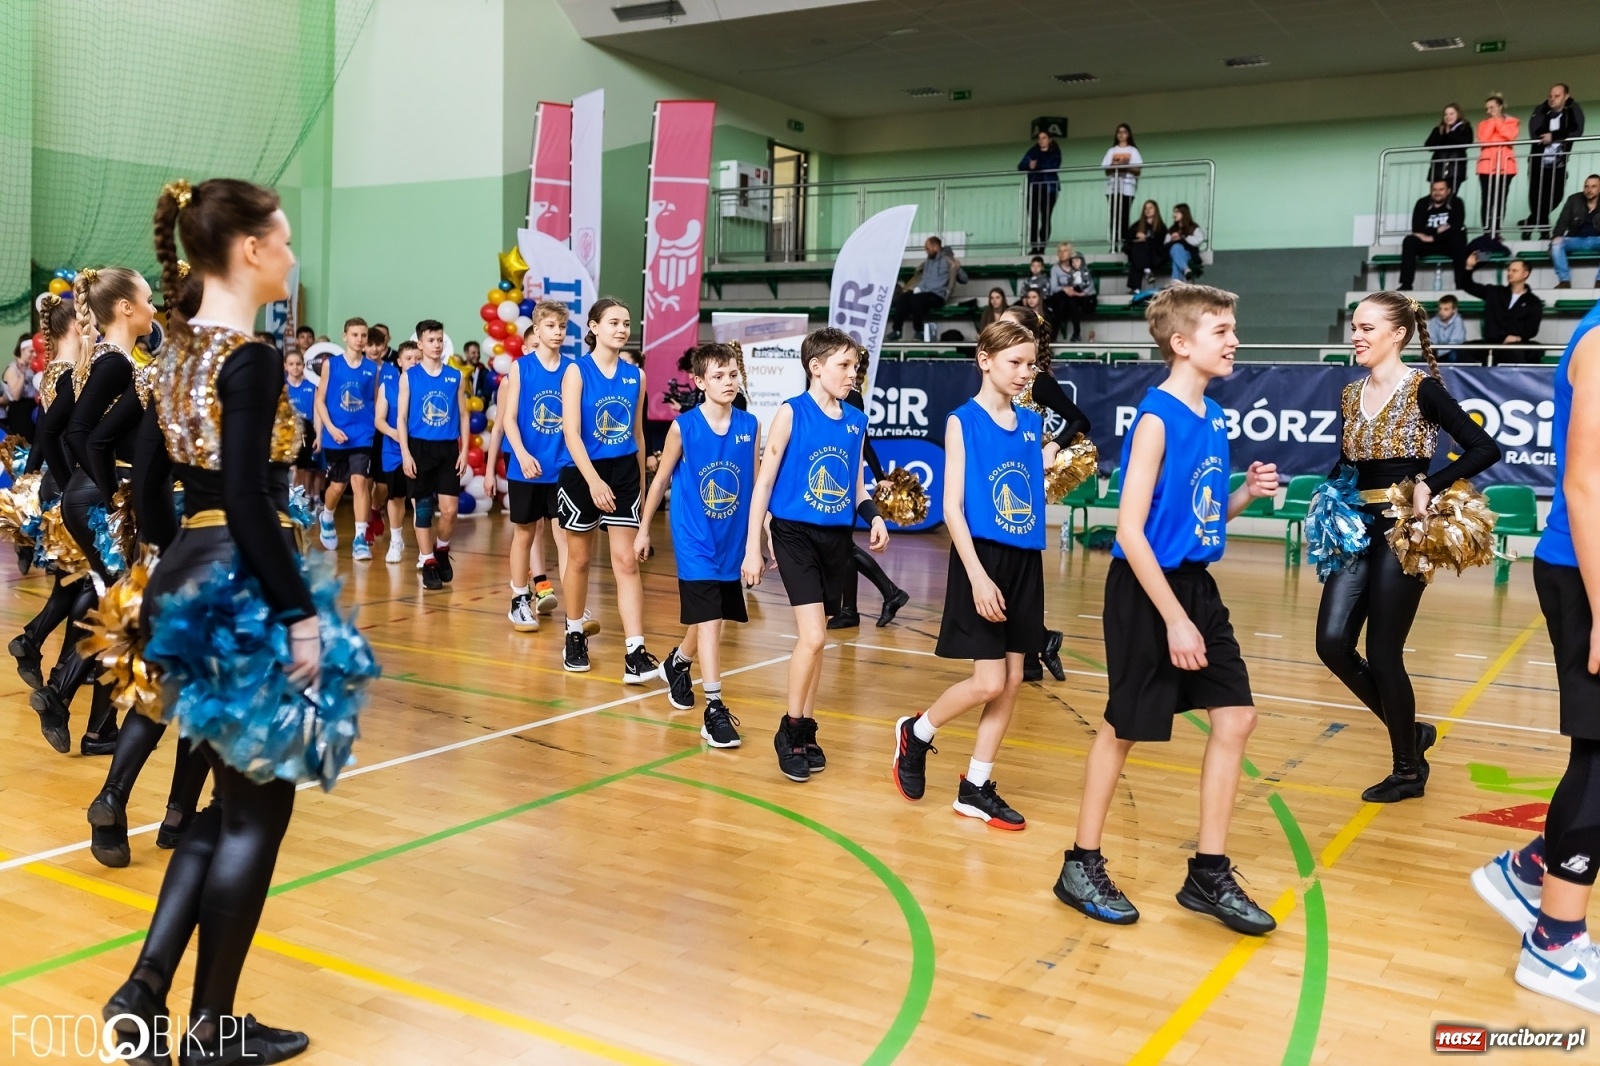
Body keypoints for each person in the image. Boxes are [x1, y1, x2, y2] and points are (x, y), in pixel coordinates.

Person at [102, 176, 325, 1065]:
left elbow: (153, 492)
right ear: (251, 251)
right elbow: (244, 500)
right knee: (255, 819)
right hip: (238, 586)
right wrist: (297, 613)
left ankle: (146, 990)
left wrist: (180, 570)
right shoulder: (250, 356)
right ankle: (211, 1031)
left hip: (182, 582)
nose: (292, 253)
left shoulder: (173, 356)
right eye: (284, 238)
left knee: (221, 805)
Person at [1052, 285, 1280, 934]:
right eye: (1221, 330)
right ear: (1181, 344)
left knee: (1236, 717)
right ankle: (1081, 862)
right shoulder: (1156, 419)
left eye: (1234, 328)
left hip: (1195, 587)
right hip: (1146, 592)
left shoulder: (1212, 416)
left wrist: (1244, 498)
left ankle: (1208, 873)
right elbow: (1128, 530)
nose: (1234, 340)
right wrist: (1173, 618)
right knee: (1123, 728)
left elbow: (1194, 516)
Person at [1316, 292, 1501, 802]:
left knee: (1382, 650)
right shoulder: (1350, 394)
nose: (1356, 335)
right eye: (1354, 326)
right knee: (1331, 643)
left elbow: (1487, 447)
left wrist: (1433, 483)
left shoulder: (1423, 389)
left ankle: (1407, 770)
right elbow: (1348, 464)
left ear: (1397, 334)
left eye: (1367, 328)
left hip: (1405, 531)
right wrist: (1326, 500)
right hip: (1356, 526)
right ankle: (1412, 732)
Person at [1469, 300, 1600, 1017]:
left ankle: (1528, 869)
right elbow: (1583, 482)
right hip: (1586, 573)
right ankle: (1554, 941)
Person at [891, 318, 1047, 830]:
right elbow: (953, 508)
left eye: (1031, 364)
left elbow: (1022, 492)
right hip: (982, 559)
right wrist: (978, 577)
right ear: (985, 359)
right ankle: (918, 730)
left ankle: (975, 787)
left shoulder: (1030, 423)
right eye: (1015, 363)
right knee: (987, 680)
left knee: (1014, 679)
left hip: (1026, 559)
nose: (1026, 373)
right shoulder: (964, 421)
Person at [742, 328, 889, 782]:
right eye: (844, 366)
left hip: (836, 539)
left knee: (820, 639)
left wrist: (874, 515)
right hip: (794, 535)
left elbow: (856, 484)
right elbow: (763, 484)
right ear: (816, 367)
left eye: (855, 366)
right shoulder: (791, 413)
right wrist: (753, 547)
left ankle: (806, 726)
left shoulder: (856, 420)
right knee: (813, 637)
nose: (852, 373)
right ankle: (788, 730)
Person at [636, 342, 758, 747]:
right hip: (694, 538)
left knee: (713, 617)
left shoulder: (749, 424)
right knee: (710, 622)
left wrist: (761, 538)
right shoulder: (683, 427)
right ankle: (715, 709)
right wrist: (643, 529)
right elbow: (660, 480)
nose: (727, 382)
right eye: (718, 376)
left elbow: (756, 485)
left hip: (732, 540)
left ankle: (678, 663)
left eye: (732, 374)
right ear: (700, 382)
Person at [557, 299, 661, 681]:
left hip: (623, 474)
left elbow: (637, 434)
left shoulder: (637, 376)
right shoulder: (576, 372)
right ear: (594, 327)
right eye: (614, 322)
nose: (622, 329)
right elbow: (571, 433)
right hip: (584, 472)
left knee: (627, 561)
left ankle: (635, 652)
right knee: (580, 560)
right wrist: (593, 481)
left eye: (627, 323)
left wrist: (642, 485)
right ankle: (573, 633)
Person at [1000, 303, 1085, 684]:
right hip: (997, 478)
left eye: (1007, 326)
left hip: (1023, 484)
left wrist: (1053, 446)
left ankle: (1034, 649)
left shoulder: (1036, 380)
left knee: (1020, 572)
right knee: (1005, 572)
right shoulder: (997, 376)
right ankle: (1037, 645)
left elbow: (1081, 419)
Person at [9, 295, 82, 703]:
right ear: (73, 327)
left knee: (73, 581)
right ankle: (38, 646)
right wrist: (61, 480)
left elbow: (45, 435)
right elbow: (55, 435)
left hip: (58, 481)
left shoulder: (56, 370)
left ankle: (51, 656)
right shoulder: (68, 371)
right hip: (66, 483)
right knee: (78, 581)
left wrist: (35, 475)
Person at [502, 302, 574, 629]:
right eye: (551, 326)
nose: (557, 332)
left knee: (566, 535)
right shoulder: (521, 368)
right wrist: (521, 454)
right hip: (527, 468)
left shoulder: (573, 370)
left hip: (562, 467)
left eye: (562, 327)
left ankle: (574, 603)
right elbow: (509, 419)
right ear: (537, 329)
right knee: (524, 534)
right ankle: (519, 600)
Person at [398, 320, 469, 590]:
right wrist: (406, 453)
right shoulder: (409, 377)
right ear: (420, 344)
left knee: (450, 510)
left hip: (448, 448)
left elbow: (463, 414)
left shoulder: (455, 376)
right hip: (419, 448)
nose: (436, 344)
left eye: (439, 339)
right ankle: (427, 561)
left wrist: (464, 450)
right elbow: (401, 417)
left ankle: (441, 549)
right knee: (424, 508)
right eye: (431, 340)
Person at [314, 317, 377, 560]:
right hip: (336, 435)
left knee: (360, 483)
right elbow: (319, 400)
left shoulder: (372, 368)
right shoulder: (331, 365)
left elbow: (372, 399)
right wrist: (329, 427)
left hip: (362, 434)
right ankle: (327, 516)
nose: (360, 339)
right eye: (355, 335)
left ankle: (360, 539)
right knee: (338, 486)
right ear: (345, 336)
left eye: (363, 335)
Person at [373, 340, 420, 564]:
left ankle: (424, 549)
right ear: (399, 361)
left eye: (417, 358)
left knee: (419, 499)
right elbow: (379, 420)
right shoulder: (388, 386)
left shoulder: (427, 385)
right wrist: (395, 434)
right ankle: (396, 540)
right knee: (396, 496)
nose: (413, 362)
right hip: (393, 451)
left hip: (420, 450)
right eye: (409, 358)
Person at [1523, 85, 1586, 240]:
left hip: (1558, 164)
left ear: (1566, 96)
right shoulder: (1541, 110)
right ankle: (1543, 232)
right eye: (1551, 95)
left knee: (1556, 196)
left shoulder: (1572, 110)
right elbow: (1534, 132)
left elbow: (1577, 131)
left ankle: (1529, 222)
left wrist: (1554, 136)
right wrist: (1550, 136)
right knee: (1536, 198)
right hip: (1538, 163)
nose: (1552, 99)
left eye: (1557, 96)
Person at [1462, 254, 1544, 363]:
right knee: (1465, 349)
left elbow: (1532, 328)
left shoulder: (1534, 302)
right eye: (1509, 270)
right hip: (1492, 343)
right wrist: (1469, 268)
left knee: (1518, 352)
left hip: (1516, 346)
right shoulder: (1495, 292)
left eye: (1514, 271)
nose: (1509, 273)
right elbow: (1468, 286)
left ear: (1525, 274)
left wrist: (1518, 337)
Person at [889, 237, 967, 342]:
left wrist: (958, 268)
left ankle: (919, 332)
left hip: (938, 295)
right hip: (924, 293)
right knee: (903, 298)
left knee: (916, 299)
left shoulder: (949, 261)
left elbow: (964, 279)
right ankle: (897, 331)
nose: (926, 250)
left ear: (936, 247)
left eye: (928, 248)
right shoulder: (928, 262)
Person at [1398, 180, 1467, 290]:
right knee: (1409, 241)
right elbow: (1416, 228)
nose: (1437, 192)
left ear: (1448, 191)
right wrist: (1436, 231)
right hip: (1427, 244)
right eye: (1434, 190)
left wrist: (1433, 237)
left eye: (1441, 189)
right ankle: (1406, 285)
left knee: (1458, 240)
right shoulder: (1422, 203)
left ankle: (1461, 285)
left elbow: (1456, 228)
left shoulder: (1456, 202)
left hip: (1447, 243)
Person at [1476, 94, 1519, 240]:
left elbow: (1509, 136)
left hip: (1505, 166)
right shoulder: (1483, 123)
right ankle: (1487, 232)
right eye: (1487, 108)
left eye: (1492, 107)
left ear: (1500, 107)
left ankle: (1497, 230)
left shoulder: (1512, 121)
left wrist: (1496, 121)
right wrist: (1494, 120)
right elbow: (1484, 140)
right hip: (1486, 166)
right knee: (1486, 199)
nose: (1489, 111)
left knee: (1500, 199)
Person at [1551, 173, 1600, 289]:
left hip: (1597, 240)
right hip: (1576, 240)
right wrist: (1557, 236)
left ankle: (1599, 281)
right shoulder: (1574, 200)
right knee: (1556, 243)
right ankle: (1565, 281)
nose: (1589, 190)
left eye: (1593, 186)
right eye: (1586, 186)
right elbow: (1562, 221)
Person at [283, 347, 321, 496]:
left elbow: (317, 414)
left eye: (298, 364)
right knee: (291, 468)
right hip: (288, 431)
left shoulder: (311, 387)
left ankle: (300, 503)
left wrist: (319, 436)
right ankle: (289, 501)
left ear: (303, 365)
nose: (295, 367)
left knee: (303, 469)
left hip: (307, 431)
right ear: (285, 366)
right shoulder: (282, 388)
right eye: (291, 364)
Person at [1018, 129, 1062, 254]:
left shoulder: (1055, 152)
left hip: (1049, 190)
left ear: (1049, 140)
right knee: (1033, 218)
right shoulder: (1033, 151)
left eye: (1044, 138)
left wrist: (1035, 165)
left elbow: (1053, 165)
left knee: (1045, 218)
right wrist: (1029, 165)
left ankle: (1042, 247)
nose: (1041, 140)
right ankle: (1034, 246)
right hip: (1034, 189)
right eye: (1039, 138)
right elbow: (1021, 165)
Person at [1101, 124, 1142, 251]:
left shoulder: (1133, 151)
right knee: (1114, 217)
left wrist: (1125, 166)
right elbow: (1106, 170)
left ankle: (1124, 244)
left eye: (1124, 132)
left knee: (1124, 217)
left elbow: (1138, 170)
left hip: (1127, 188)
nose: (1121, 134)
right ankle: (1113, 244)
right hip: (1113, 188)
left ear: (1128, 134)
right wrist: (1115, 167)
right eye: (1119, 131)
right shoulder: (1111, 151)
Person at [1047, 252, 1096, 343]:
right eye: (1073, 261)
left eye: (1077, 261)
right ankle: (1074, 334)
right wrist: (1070, 290)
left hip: (1087, 298)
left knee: (1071, 303)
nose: (1075, 263)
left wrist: (1076, 293)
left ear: (1082, 261)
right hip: (1075, 297)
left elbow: (1089, 289)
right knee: (1067, 303)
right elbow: (1070, 285)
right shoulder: (1071, 274)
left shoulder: (1085, 272)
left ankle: (1076, 333)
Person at [1424, 104, 1473, 193]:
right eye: (1446, 114)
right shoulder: (1438, 130)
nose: (1448, 117)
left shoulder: (1464, 128)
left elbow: (1466, 143)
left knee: (1451, 197)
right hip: (1438, 170)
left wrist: (1450, 134)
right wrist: (1443, 135)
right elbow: (1428, 145)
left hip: (1455, 171)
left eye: (1451, 114)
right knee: (1436, 197)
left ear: (1458, 114)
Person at [1124, 199, 1166, 291]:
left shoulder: (1161, 227)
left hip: (1154, 256)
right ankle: (1147, 270)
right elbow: (1127, 243)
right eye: (1145, 208)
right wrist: (1137, 235)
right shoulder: (1136, 226)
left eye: (1151, 207)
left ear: (1156, 210)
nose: (1148, 210)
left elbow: (1160, 243)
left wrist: (1146, 238)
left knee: (1139, 253)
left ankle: (1136, 288)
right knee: (1137, 250)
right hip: (1139, 255)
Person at [1165, 203, 1205, 282]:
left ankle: (1175, 284)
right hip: (1174, 253)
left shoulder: (1193, 227)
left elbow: (1198, 240)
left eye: (1177, 212)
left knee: (1176, 255)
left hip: (1188, 253)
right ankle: (1185, 269)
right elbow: (1165, 243)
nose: (1174, 214)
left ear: (1184, 213)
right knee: (1176, 249)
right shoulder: (1172, 229)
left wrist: (1182, 238)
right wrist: (1172, 239)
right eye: (1174, 212)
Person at [1429, 294, 1468, 362]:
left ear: (1454, 310)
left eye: (1446, 309)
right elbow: (1432, 341)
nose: (1442, 312)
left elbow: (1454, 344)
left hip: (1453, 352)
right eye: (1440, 309)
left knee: (1454, 354)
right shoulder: (1433, 321)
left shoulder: (1458, 321)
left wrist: (1438, 353)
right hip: (1438, 352)